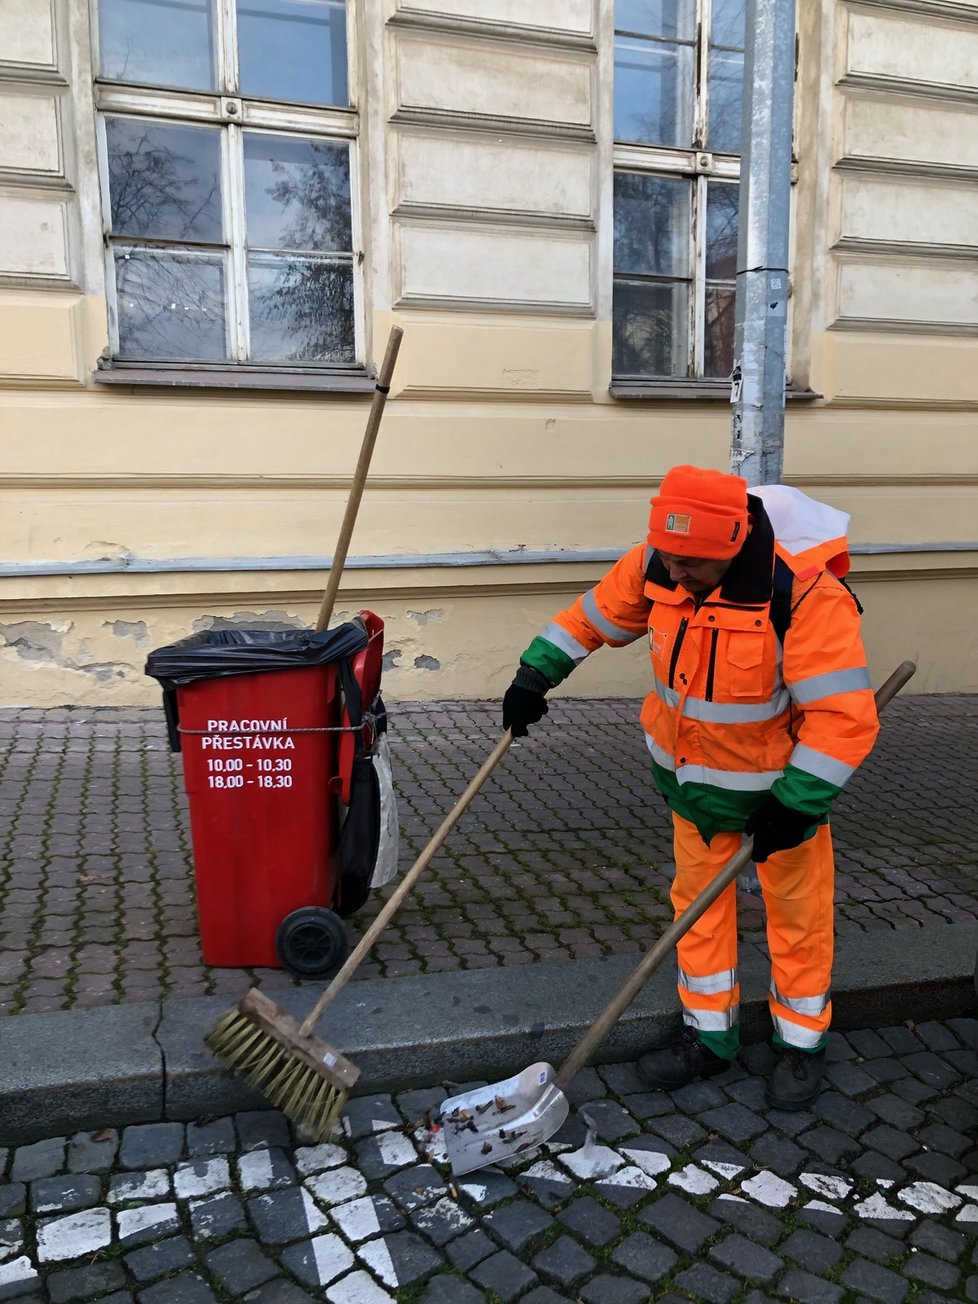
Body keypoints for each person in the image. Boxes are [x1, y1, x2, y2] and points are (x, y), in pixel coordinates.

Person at [502, 465, 879, 1109]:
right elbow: (592, 617)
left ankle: (800, 1043)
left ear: (733, 546)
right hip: (691, 792)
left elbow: (843, 718)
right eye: (669, 561)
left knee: (798, 919)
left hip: (778, 802)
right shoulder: (661, 560)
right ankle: (709, 1039)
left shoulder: (806, 595)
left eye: (691, 569)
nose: (674, 577)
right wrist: (535, 674)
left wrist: (797, 804)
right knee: (697, 916)